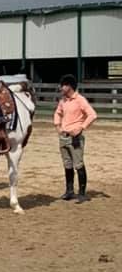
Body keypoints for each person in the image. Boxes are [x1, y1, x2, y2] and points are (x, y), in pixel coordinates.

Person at [54, 74, 97, 202]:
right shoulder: (63, 101)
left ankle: (82, 193)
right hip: (64, 137)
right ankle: (69, 191)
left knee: (78, 164)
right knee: (67, 164)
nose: (61, 87)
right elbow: (58, 113)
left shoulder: (80, 100)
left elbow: (92, 115)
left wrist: (81, 127)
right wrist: (57, 126)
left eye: (63, 85)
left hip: (75, 138)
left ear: (69, 87)